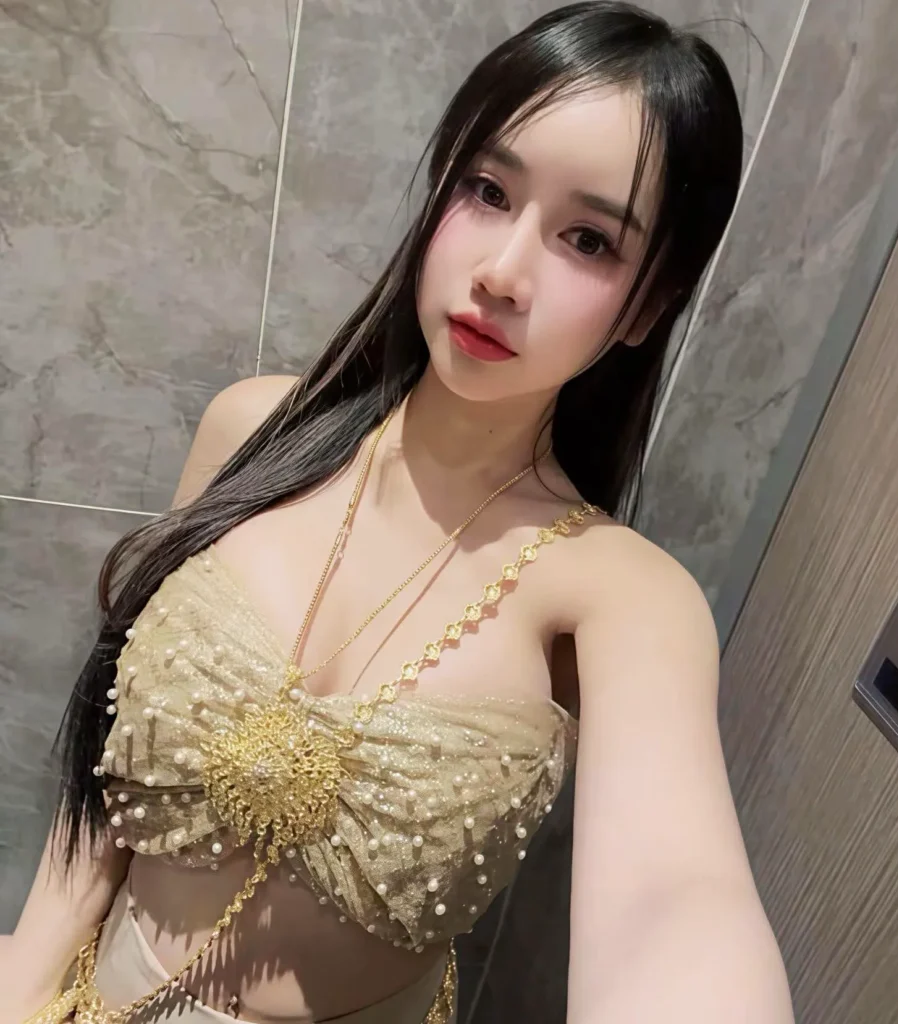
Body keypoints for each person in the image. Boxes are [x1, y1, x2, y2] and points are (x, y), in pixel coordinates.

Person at [4, 3, 795, 1022]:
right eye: (487, 190)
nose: (502, 272)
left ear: (647, 305)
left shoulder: (623, 597)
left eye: (588, 239)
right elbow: (106, 770)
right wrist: (28, 977)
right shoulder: (250, 430)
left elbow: (673, 897)